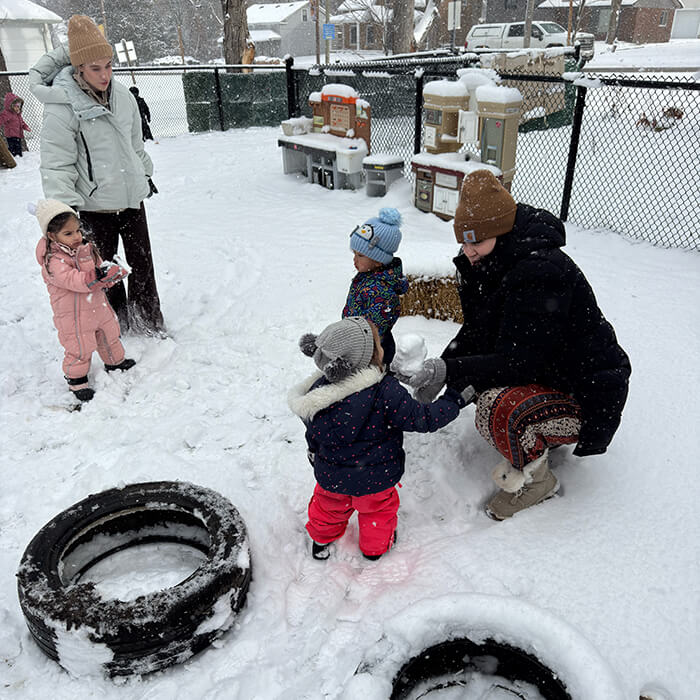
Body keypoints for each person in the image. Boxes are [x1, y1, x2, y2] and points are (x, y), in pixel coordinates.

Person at [396, 169, 631, 521]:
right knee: (489, 386)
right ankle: (537, 429)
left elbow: (519, 363)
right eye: (463, 241)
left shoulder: (541, 272)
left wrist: (454, 372)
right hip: (549, 367)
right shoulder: (493, 260)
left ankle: (538, 481)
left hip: (585, 390)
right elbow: (480, 330)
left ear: (500, 231)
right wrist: (445, 371)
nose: (467, 251)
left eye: (475, 241)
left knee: (496, 407)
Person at [288, 316, 472, 561]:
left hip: (331, 475)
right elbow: (423, 419)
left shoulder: (317, 393)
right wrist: (453, 400)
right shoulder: (385, 391)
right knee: (377, 512)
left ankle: (321, 539)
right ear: (367, 356)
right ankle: (374, 549)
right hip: (376, 479)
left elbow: (313, 431)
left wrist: (314, 452)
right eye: (377, 345)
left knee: (328, 507)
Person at [28, 15, 165, 337]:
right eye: (95, 68)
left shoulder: (123, 96)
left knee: (142, 265)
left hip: (131, 198)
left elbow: (134, 145)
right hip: (93, 205)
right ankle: (112, 323)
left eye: (108, 66)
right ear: (78, 69)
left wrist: (144, 175)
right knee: (101, 271)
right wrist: (63, 212)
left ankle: (148, 321)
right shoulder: (62, 106)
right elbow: (57, 163)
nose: (105, 75)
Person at [34, 199, 136, 403]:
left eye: (77, 231)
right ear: (52, 236)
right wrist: (95, 277)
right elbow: (72, 280)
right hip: (73, 315)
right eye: (68, 233)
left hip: (97, 306)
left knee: (109, 334)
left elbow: (98, 269)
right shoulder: (52, 260)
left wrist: (109, 276)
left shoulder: (86, 248)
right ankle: (77, 379)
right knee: (79, 347)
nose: (76, 237)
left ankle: (115, 362)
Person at [343, 207, 408, 365]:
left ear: (378, 260)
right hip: (357, 342)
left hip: (373, 352)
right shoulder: (367, 277)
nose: (354, 260)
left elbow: (373, 330)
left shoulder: (381, 291)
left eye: (360, 255)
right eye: (354, 254)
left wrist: (356, 347)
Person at [0, 92, 31, 157]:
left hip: (18, 135)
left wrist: (25, 127)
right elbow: (1, 119)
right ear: (10, 106)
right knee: (13, 148)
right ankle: (13, 157)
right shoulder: (7, 113)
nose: (17, 108)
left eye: (19, 107)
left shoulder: (18, 115)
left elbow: (21, 122)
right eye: (15, 106)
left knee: (18, 148)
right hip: (10, 135)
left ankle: (19, 157)